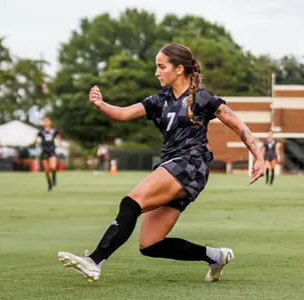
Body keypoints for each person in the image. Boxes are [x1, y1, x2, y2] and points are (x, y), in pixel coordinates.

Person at [57, 43, 264, 283]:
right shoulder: (159, 100)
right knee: (150, 244)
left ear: (178, 69)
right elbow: (124, 114)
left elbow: (238, 125)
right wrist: (101, 105)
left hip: (190, 164)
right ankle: (216, 256)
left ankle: (94, 261)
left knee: (130, 203)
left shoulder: (203, 98)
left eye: (161, 66)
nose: (156, 72)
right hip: (173, 166)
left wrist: (258, 156)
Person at [35, 117, 62, 191]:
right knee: (46, 170)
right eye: (44, 121)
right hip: (44, 151)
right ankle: (49, 184)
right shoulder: (41, 131)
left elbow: (58, 136)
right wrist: (36, 140)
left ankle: (54, 177)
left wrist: (60, 144)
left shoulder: (53, 130)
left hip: (52, 150)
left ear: (50, 122)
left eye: (47, 121)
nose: (46, 122)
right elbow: (36, 137)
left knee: (53, 167)